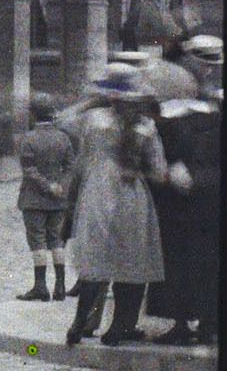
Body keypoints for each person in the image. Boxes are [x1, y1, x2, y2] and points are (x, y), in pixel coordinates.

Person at [65, 67, 170, 347]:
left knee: (95, 259)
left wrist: (93, 99)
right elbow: (159, 171)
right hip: (132, 194)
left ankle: (79, 323)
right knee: (132, 260)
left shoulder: (94, 120)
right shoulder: (146, 127)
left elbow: (68, 125)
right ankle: (119, 327)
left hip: (98, 192)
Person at [152, 35, 222, 346]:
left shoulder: (216, 100)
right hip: (182, 189)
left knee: (205, 255)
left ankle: (206, 321)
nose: (209, 69)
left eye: (213, 63)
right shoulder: (174, 91)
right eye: (204, 62)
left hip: (208, 186)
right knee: (181, 254)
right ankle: (185, 321)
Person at [16, 92, 77, 301]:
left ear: (33, 115)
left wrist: (47, 186)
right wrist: (61, 186)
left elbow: (29, 170)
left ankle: (40, 286)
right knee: (57, 240)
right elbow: (70, 167)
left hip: (34, 199)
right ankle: (60, 285)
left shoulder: (29, 139)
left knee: (38, 242)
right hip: (58, 200)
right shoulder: (63, 138)